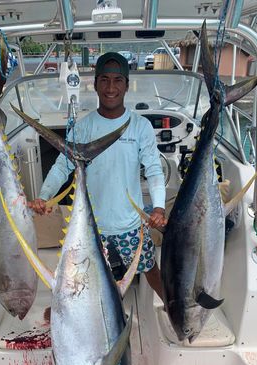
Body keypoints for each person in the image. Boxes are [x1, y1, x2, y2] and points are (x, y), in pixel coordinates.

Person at [29, 52, 167, 298]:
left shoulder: (140, 126)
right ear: (94, 84)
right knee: (81, 277)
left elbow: (154, 169)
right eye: (104, 80)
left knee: (150, 269)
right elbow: (63, 166)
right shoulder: (83, 128)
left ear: (126, 85)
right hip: (90, 226)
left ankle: (169, 305)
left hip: (130, 225)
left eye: (117, 80)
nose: (110, 87)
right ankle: (68, 311)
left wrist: (158, 208)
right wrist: (44, 196)